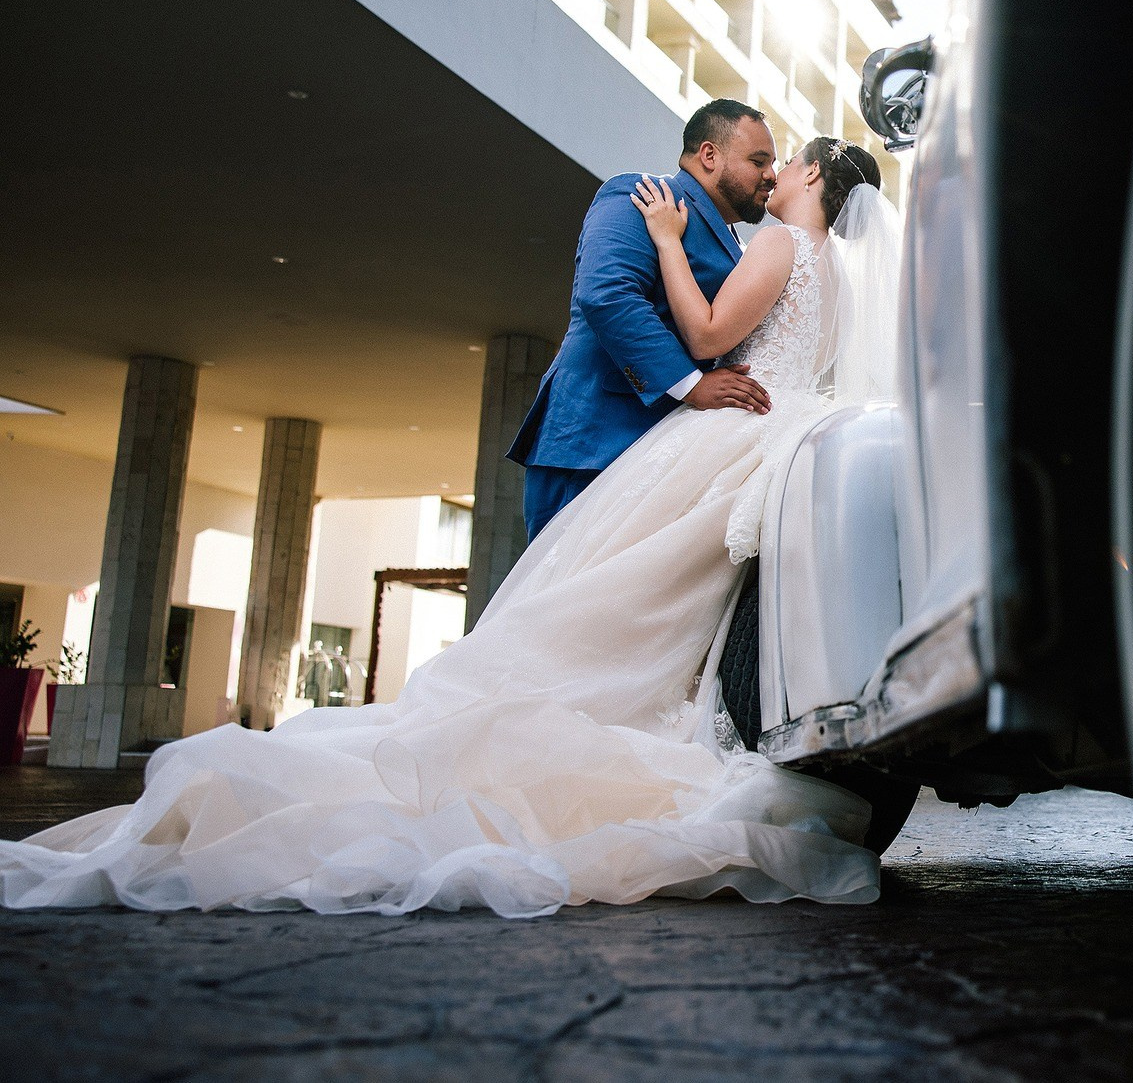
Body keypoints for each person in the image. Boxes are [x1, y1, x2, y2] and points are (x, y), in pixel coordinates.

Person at [0, 137, 900, 917]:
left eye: (786, 160)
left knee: (606, 583)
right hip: (786, 429)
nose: (774, 171)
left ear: (814, 175)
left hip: (727, 426)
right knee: (665, 597)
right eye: (761, 155)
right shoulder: (848, 289)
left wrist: (668, 241)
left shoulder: (782, 240)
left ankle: (534, 706)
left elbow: (706, 337)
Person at [509, 99, 779, 542]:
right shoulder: (639, 194)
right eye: (758, 161)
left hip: (666, 452)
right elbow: (608, 296)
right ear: (709, 155)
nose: (771, 174)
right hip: (595, 441)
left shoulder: (738, 246)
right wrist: (692, 384)